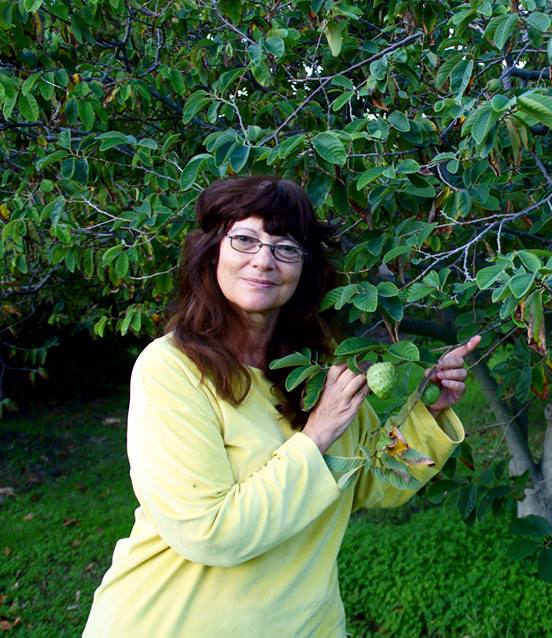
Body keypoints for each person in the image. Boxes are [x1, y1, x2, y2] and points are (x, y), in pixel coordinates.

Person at [83, 176, 480, 637]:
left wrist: (426, 415)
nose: (264, 261)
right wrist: (318, 434)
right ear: (213, 251)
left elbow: (375, 480)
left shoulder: (320, 368)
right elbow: (210, 531)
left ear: (303, 269)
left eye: (285, 247)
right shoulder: (171, 369)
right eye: (245, 239)